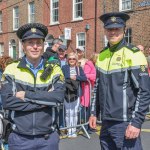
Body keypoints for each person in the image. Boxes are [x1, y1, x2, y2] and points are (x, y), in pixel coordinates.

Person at [89, 12, 150, 150]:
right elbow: (97, 87)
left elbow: (144, 91)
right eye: (110, 29)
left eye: (117, 28)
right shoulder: (102, 55)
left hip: (125, 123)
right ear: (105, 30)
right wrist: (93, 113)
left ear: (124, 29)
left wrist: (136, 122)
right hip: (105, 122)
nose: (113, 32)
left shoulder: (134, 54)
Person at [1, 23, 65, 150]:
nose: (35, 46)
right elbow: (7, 102)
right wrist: (46, 101)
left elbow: (58, 97)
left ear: (43, 45)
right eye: (30, 42)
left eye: (38, 42)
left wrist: (26, 95)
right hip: (20, 139)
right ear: (23, 46)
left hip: (48, 139)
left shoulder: (54, 69)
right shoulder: (11, 69)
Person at [62, 52, 87, 138]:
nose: (71, 60)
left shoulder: (79, 68)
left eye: (73, 59)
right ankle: (69, 130)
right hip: (67, 93)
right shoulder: (64, 68)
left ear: (76, 60)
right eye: (70, 59)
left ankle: (74, 130)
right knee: (68, 112)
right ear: (67, 60)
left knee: (75, 113)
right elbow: (61, 78)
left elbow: (84, 78)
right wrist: (69, 77)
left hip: (76, 93)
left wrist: (76, 77)